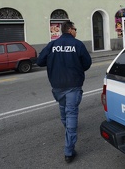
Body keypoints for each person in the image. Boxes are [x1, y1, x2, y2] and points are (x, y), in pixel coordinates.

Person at [37, 21, 92, 163]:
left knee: (63, 108)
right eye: (75, 29)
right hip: (73, 85)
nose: (76, 32)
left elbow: (40, 61)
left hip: (57, 85)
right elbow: (87, 64)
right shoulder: (78, 44)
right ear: (70, 30)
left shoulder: (52, 44)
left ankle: (67, 127)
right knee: (71, 113)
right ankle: (69, 151)